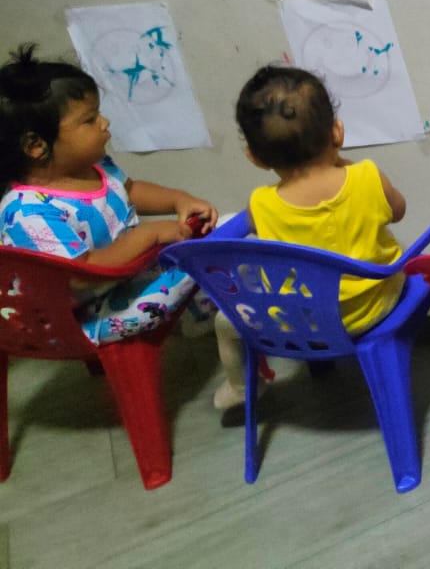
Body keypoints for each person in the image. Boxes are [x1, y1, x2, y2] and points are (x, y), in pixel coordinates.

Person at [219, 65, 408, 407]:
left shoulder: (260, 203)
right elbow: (399, 211)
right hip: (377, 304)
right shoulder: (368, 175)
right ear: (338, 132)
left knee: (224, 322)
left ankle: (242, 387)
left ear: (255, 158)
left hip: (306, 323)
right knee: (394, 250)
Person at [0, 43, 215, 343]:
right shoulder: (27, 212)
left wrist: (180, 199)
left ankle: (200, 313)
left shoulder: (93, 166)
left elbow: (129, 190)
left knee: (212, 245)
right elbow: (81, 273)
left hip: (124, 279)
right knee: (198, 265)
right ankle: (200, 315)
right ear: (36, 146)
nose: (105, 123)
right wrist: (149, 235)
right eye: (90, 120)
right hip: (78, 317)